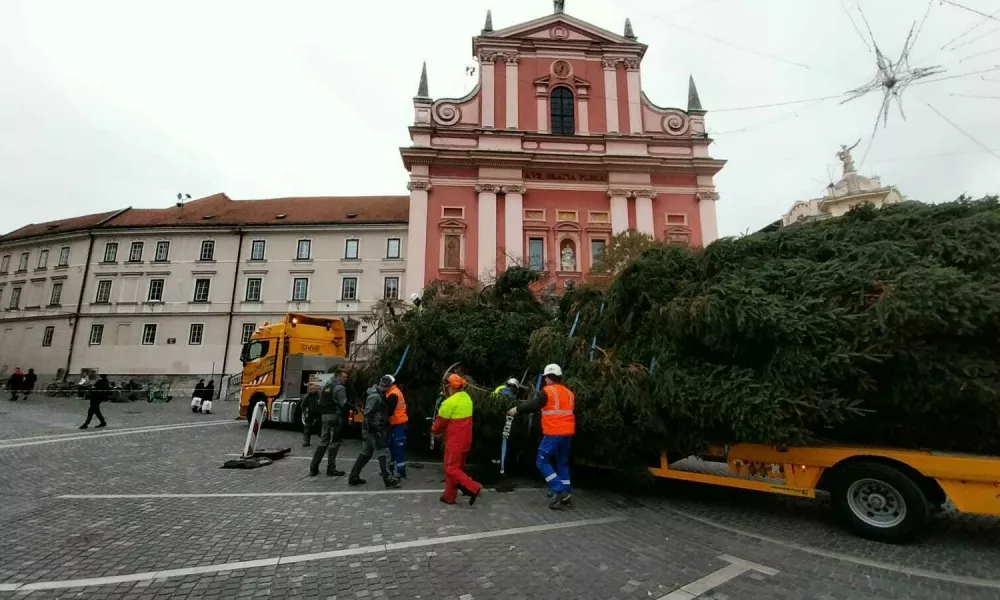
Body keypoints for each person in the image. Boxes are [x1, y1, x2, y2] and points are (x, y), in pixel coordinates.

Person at [508, 363, 575, 509]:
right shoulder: (569, 393)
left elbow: (534, 405)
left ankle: (559, 490)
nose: (545, 381)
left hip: (554, 432)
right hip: (568, 433)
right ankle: (567, 493)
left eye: (545, 378)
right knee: (562, 463)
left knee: (541, 461)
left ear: (549, 378)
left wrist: (516, 409)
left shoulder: (548, 392)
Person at [433, 374, 482, 506]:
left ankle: (473, 487)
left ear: (450, 387)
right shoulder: (467, 398)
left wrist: (433, 430)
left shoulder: (449, 403)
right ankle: (449, 496)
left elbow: (439, 425)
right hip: (466, 441)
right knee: (455, 468)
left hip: (454, 442)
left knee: (450, 468)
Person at [348, 375, 400, 488]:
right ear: (388, 386)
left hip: (371, 429)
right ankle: (388, 479)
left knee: (366, 453)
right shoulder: (376, 397)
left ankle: (353, 476)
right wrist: (373, 428)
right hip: (374, 429)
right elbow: (368, 413)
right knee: (383, 452)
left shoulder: (376, 394)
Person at [310, 369, 349, 477]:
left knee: (323, 441)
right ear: (338, 376)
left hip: (325, 416)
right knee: (335, 442)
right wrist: (352, 407)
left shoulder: (327, 385)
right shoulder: (339, 387)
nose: (346, 379)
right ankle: (331, 469)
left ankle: (313, 468)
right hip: (335, 416)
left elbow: (320, 401)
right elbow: (343, 403)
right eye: (344, 377)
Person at [384, 374, 409, 478]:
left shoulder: (393, 394)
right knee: (392, 447)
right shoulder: (391, 392)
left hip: (398, 424)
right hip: (396, 423)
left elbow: (389, 411)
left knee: (398, 447)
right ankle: (391, 468)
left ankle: (400, 470)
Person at [300, 381, 320, 447]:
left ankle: (323, 441)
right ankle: (306, 441)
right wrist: (305, 413)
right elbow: (303, 405)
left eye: (313, 389)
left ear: (316, 389)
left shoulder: (320, 395)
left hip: (319, 413)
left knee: (320, 426)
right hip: (310, 413)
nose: (312, 390)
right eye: (310, 389)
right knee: (307, 427)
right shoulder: (307, 396)